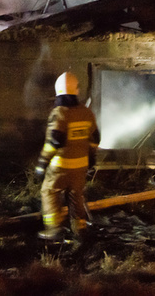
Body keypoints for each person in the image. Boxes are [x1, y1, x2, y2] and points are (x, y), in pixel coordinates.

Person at [34, 71, 100, 242]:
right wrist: (91, 157)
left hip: (60, 167)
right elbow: (95, 139)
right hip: (80, 167)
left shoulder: (59, 113)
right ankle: (79, 229)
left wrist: (42, 163)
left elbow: (54, 142)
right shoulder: (86, 113)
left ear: (58, 92)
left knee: (48, 192)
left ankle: (54, 229)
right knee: (76, 195)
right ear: (76, 90)